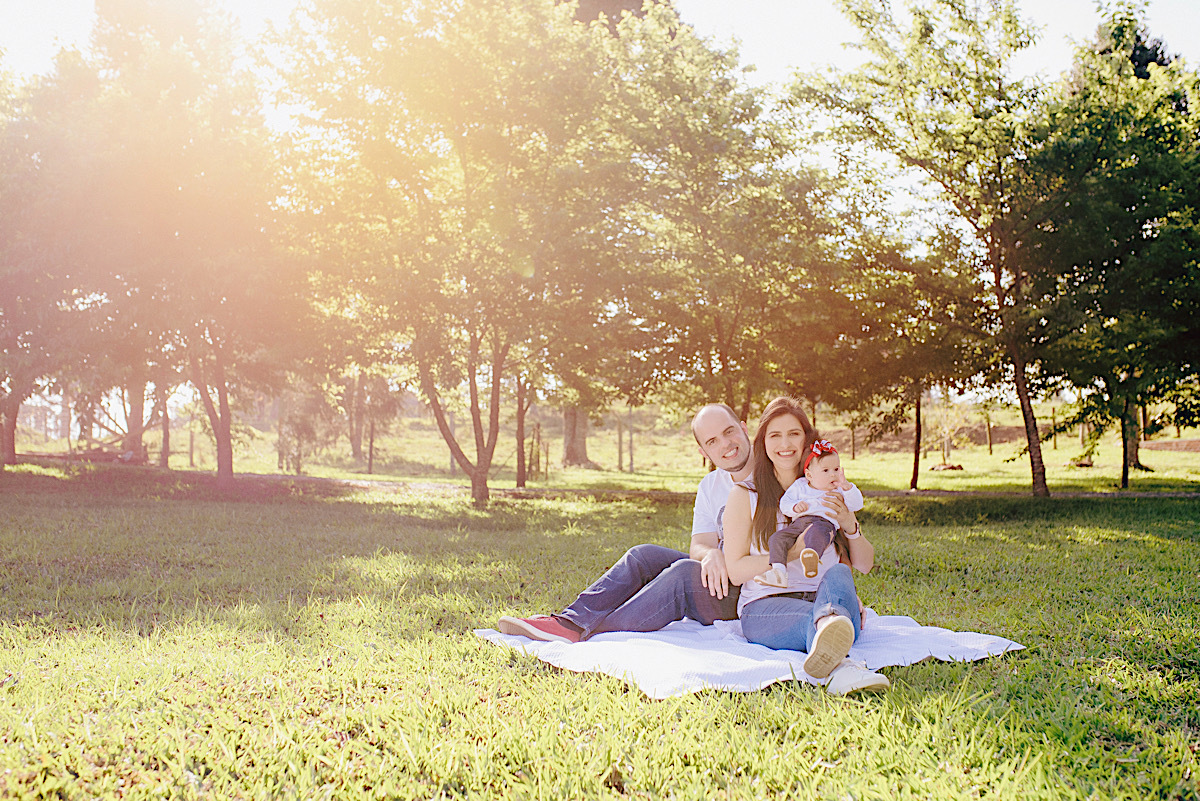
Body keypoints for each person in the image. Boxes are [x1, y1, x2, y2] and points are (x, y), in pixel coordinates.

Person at [497, 403, 755, 643]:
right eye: (712, 441)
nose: (725, 444)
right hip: (720, 580)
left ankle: (594, 632)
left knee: (684, 575)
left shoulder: (774, 471)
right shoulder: (711, 484)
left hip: (747, 592)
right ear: (704, 452)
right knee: (642, 555)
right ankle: (570, 622)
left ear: (744, 428)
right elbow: (699, 545)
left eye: (729, 431)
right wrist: (711, 554)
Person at [724, 396, 889, 695]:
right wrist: (793, 552)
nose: (784, 443)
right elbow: (735, 572)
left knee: (839, 576)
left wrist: (849, 523)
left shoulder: (826, 488)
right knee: (824, 620)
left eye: (794, 433)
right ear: (763, 442)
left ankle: (831, 627)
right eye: (775, 435)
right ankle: (843, 664)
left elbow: (864, 564)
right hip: (765, 605)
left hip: (823, 596)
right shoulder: (744, 495)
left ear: (807, 440)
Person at [755, 439, 863, 587]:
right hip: (799, 523)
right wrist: (794, 507)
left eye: (836, 469)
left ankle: (811, 558)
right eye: (826, 471)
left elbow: (857, 504)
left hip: (824, 524)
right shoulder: (800, 486)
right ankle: (779, 572)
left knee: (816, 535)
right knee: (778, 538)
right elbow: (784, 503)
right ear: (810, 475)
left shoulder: (839, 489)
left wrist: (848, 487)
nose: (833, 475)